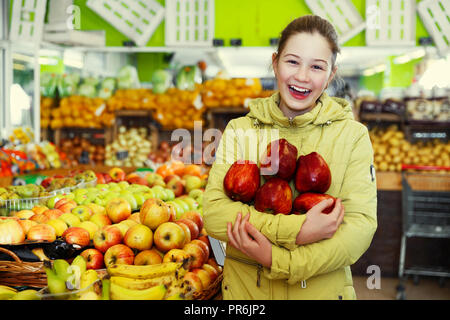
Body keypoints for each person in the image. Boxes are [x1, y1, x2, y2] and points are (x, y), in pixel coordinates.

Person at [203, 15, 377, 300]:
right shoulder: (240, 130)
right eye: (292, 62)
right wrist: (298, 231)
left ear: (331, 75)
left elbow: (358, 231)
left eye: (317, 67)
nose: (302, 77)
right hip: (246, 295)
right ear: (275, 62)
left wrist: (276, 259)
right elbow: (215, 215)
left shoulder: (353, 136)